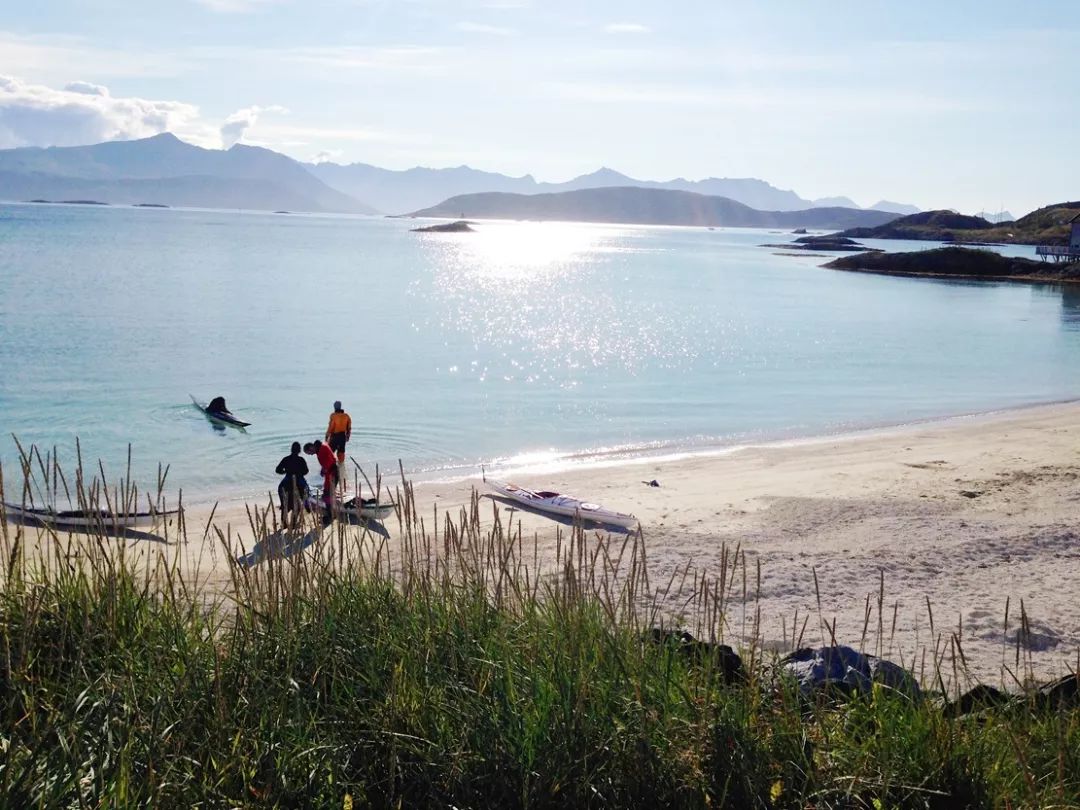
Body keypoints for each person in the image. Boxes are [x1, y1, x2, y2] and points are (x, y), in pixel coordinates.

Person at [304, 440, 339, 524]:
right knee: (327, 493)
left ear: (311, 447)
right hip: (331, 473)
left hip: (332, 474)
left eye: (309, 452)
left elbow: (329, 461)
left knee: (327, 495)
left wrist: (325, 469)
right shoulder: (320, 448)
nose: (311, 454)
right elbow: (328, 460)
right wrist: (323, 470)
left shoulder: (322, 449)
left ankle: (330, 516)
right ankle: (332, 509)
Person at [275, 441, 309, 525]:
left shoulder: (286, 459)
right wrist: (299, 473)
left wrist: (284, 472)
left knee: (284, 503)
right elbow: (306, 471)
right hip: (299, 480)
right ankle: (306, 507)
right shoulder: (301, 460)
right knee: (306, 491)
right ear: (299, 450)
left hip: (287, 479)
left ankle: (284, 523)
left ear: (291, 450)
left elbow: (277, 470)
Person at [325, 400, 352, 466]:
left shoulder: (333, 416)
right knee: (341, 452)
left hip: (334, 436)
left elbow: (331, 426)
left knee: (330, 452)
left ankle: (329, 465)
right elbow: (349, 427)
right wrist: (348, 436)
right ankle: (341, 465)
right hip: (342, 436)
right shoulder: (346, 416)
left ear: (334, 407)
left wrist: (327, 435)